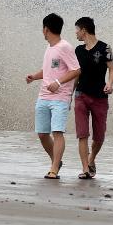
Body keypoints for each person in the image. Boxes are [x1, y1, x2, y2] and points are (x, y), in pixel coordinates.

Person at [25, 13, 81, 179]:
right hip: (43, 97)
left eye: (43, 29)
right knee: (42, 134)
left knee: (57, 132)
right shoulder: (49, 48)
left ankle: (54, 168)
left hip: (60, 98)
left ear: (46, 29)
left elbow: (76, 70)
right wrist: (34, 76)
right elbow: (49, 71)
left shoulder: (65, 47)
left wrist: (58, 82)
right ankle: (56, 161)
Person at [73, 17, 113, 179]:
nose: (76, 33)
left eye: (77, 30)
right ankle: (85, 169)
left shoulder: (105, 48)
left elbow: (112, 69)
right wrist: (70, 94)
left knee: (99, 137)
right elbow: (76, 74)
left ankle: (91, 159)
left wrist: (110, 84)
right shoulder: (78, 50)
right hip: (81, 95)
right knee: (82, 134)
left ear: (84, 30)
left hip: (100, 97)